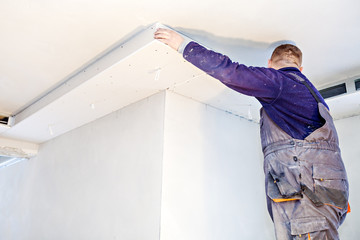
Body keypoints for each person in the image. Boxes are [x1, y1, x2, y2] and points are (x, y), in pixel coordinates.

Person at [154, 28, 350, 240]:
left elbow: (231, 72)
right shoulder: (315, 96)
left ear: (269, 64)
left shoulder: (279, 82)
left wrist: (182, 45)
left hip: (307, 197)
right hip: (329, 195)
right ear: (301, 68)